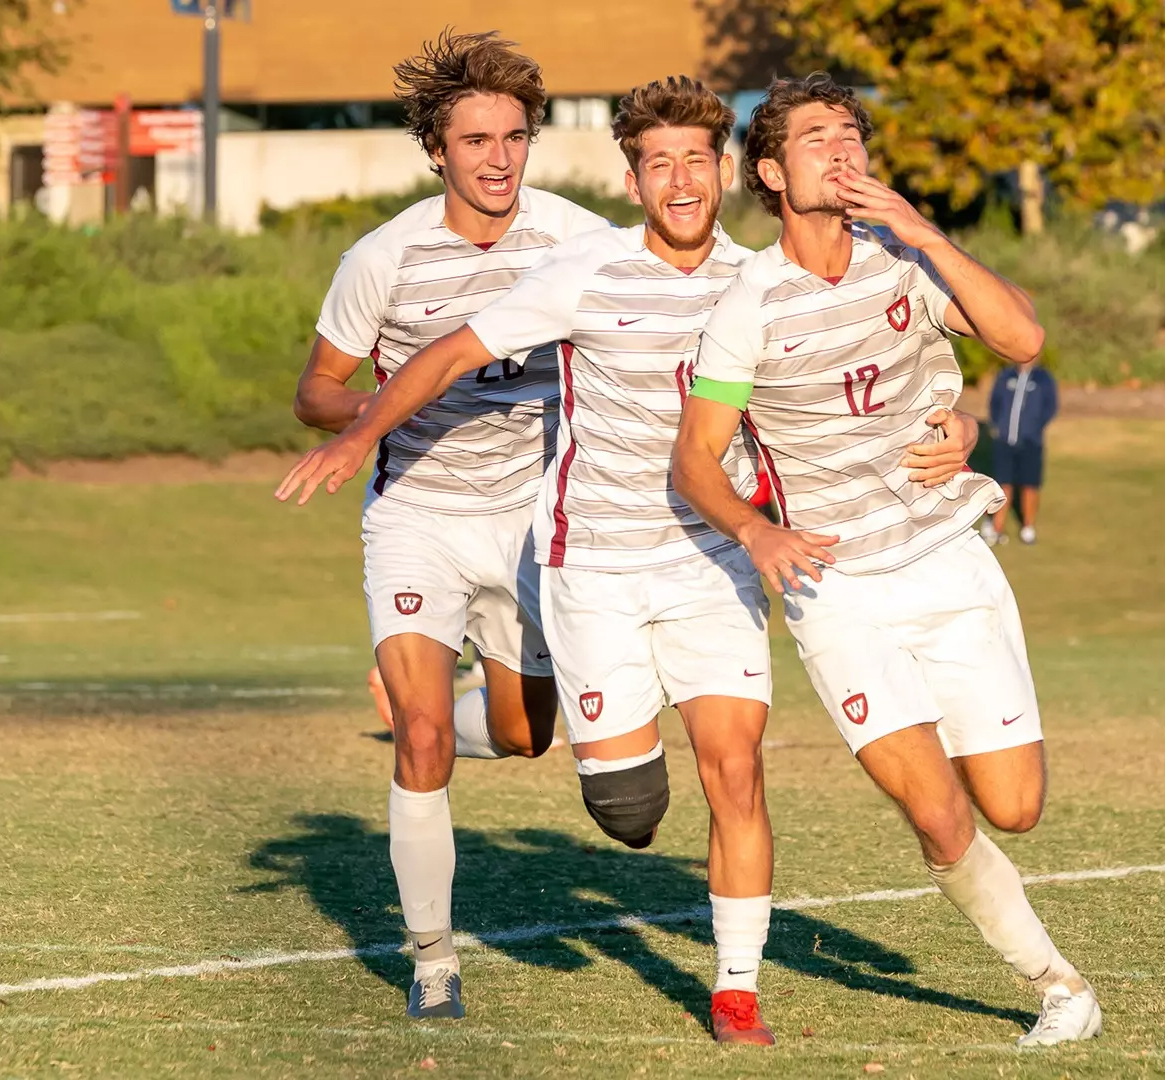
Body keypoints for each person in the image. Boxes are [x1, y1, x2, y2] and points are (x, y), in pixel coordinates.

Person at [275, 76, 979, 1046]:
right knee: (630, 811)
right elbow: (442, 357)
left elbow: (869, 391)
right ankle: (471, 751)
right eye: (661, 162)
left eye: (698, 158)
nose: (682, 179)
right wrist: (357, 439)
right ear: (633, 177)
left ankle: (736, 994)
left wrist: (965, 423)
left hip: (711, 563)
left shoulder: (762, 279)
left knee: (736, 771)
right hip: (593, 566)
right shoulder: (584, 271)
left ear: (728, 171)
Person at [671, 73, 1101, 1049]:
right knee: (941, 818)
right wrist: (756, 529)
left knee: (1014, 808)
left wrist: (929, 235)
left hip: (950, 563)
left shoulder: (901, 260)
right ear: (773, 172)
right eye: (816, 137)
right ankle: (1060, 987)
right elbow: (694, 459)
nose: (842, 148)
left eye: (850, 133)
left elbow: (1023, 339)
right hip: (838, 590)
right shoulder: (750, 304)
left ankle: (977, 781)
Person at [280, 30, 613, 1021]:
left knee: (524, 736)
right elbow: (314, 390)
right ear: (438, 150)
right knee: (419, 735)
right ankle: (433, 963)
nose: (498, 158)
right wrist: (381, 409)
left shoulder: (577, 239)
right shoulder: (382, 258)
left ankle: (465, 704)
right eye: (476, 140)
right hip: (418, 514)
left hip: (531, 520)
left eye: (514, 137)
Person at [981, 359, 1057, 546]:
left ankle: (1028, 528)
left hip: (1031, 442)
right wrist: (999, 426)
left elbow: (1050, 407)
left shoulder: (1043, 379)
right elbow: (994, 403)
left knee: (1029, 485)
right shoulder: (1006, 376)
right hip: (1005, 441)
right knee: (1002, 483)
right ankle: (996, 528)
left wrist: (1035, 427)